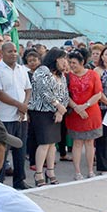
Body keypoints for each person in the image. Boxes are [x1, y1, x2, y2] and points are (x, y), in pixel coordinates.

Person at [0, 42, 32, 189]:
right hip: (5, 117)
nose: (13, 53)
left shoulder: (22, 69)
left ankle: (19, 181)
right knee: (3, 152)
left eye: (15, 51)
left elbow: (28, 89)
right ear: (2, 53)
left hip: (21, 117)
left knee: (20, 151)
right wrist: (18, 105)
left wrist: (24, 106)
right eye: (9, 51)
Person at [28, 48, 71, 186]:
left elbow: (65, 94)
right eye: (62, 59)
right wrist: (58, 106)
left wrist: (60, 111)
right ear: (55, 58)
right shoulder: (42, 71)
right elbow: (44, 91)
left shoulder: (61, 75)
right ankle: (39, 173)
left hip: (56, 113)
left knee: (53, 144)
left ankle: (50, 171)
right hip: (41, 112)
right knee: (44, 143)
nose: (65, 62)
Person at [65, 50, 102, 179]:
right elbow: (65, 95)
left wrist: (85, 106)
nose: (72, 65)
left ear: (82, 62)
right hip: (75, 114)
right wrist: (76, 108)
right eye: (70, 62)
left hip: (91, 112)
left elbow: (98, 94)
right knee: (77, 142)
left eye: (74, 63)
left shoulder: (93, 74)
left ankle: (91, 170)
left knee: (90, 142)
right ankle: (77, 172)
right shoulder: (68, 76)